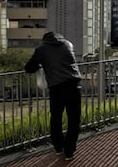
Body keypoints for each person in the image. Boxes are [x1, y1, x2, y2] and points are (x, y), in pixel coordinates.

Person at [25, 32, 82, 161]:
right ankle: (69, 151)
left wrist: (41, 65)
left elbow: (29, 67)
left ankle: (58, 147)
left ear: (44, 40)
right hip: (74, 85)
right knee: (74, 119)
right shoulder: (68, 44)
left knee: (56, 118)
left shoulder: (42, 49)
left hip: (57, 88)